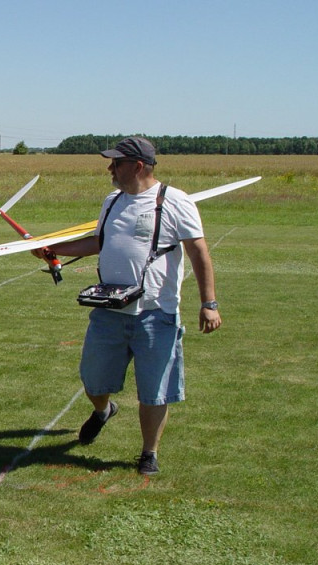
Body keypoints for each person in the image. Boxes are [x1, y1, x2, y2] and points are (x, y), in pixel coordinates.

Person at [39, 136, 221, 475]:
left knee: (154, 391)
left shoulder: (175, 201)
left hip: (156, 313)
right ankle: (103, 410)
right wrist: (54, 247)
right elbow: (99, 241)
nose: (110, 168)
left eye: (116, 163)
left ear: (138, 166)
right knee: (93, 380)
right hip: (109, 310)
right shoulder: (112, 200)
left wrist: (208, 303)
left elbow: (199, 252)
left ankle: (148, 452)